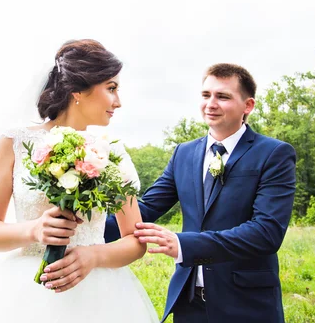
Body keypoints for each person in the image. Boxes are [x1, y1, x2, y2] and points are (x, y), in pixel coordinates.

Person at [0, 40, 159, 322]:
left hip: (98, 296)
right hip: (24, 293)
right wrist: (34, 230)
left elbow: (135, 242)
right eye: (111, 88)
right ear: (79, 90)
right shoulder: (16, 142)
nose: (118, 101)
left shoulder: (111, 151)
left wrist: (94, 256)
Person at [105, 63, 296, 323]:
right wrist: (85, 233)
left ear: (248, 106)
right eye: (206, 95)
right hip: (189, 303)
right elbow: (146, 208)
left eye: (223, 96)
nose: (211, 104)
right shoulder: (184, 153)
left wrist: (184, 244)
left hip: (247, 304)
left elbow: (267, 233)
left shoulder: (273, 154)